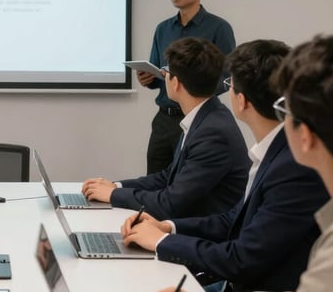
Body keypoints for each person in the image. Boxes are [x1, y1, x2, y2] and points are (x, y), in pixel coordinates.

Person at [150, 34, 333, 292]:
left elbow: (246, 261)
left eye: (287, 110)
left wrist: (163, 240)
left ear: (306, 135)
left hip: (252, 284)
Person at [121, 40, 329, 292]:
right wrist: (169, 228)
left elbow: (242, 260)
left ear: (241, 101)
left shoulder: (294, 167)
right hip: (237, 282)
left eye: (229, 85)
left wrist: (162, 242)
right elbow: (233, 219)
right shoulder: (278, 149)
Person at [82, 37, 250, 219]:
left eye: (167, 71)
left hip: (206, 235)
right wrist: (116, 187)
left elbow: (170, 203)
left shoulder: (213, 132)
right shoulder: (207, 116)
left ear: (175, 82)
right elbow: (168, 176)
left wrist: (113, 195)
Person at [139, 0, 235, 175]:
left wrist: (194, 88)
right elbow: (157, 73)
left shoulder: (219, 28)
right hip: (164, 118)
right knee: (155, 179)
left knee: (186, 184)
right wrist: (148, 78)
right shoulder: (163, 28)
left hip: (198, 118)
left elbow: (227, 77)